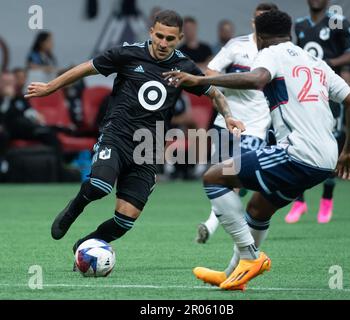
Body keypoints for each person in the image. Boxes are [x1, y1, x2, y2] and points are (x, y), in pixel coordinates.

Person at [163, 9, 350, 290]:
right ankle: (234, 273)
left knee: (214, 176)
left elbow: (256, 79)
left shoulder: (270, 51)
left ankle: (249, 256)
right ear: (289, 33)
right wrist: (349, 151)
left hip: (298, 154)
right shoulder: (316, 62)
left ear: (260, 36)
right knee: (258, 207)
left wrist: (200, 81)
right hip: (326, 159)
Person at [25, 10, 244, 257]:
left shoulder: (184, 67)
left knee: (124, 221)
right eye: (159, 36)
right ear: (151, 32)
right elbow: (87, 68)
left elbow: (214, 93)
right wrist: (49, 87)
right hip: (116, 135)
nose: (163, 43)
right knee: (99, 185)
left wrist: (228, 116)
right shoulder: (128, 53)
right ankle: (74, 208)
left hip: (147, 148)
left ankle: (85, 247)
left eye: (169, 39)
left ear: (179, 38)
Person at [195, 2, 278, 244]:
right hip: (225, 122)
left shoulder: (279, 53)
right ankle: (232, 227)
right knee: (221, 176)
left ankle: (212, 225)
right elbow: (210, 72)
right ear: (253, 22)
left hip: (256, 126)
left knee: (233, 174)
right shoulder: (237, 46)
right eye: (258, 19)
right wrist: (226, 88)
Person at [286, 0, 350, 223]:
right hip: (304, 92)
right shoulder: (299, 25)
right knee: (297, 140)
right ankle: (298, 201)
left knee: (332, 142)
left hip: (330, 91)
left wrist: (327, 62)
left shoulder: (337, 22)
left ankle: (327, 199)